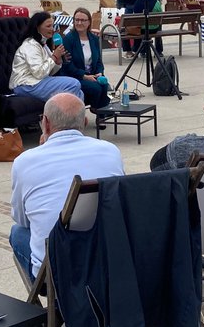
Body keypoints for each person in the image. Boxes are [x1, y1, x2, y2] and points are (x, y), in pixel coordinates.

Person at [9, 93, 124, 280]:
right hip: (104, 264)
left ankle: (52, 303)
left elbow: (22, 220)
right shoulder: (110, 151)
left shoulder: (25, 162)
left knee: (17, 232)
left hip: (55, 274)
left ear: (45, 123)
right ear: (85, 122)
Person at [8, 11, 83, 103]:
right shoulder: (30, 45)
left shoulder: (43, 44)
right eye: (48, 26)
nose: (52, 29)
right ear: (37, 28)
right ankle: (59, 114)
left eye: (52, 26)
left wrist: (58, 61)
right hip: (25, 85)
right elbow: (39, 73)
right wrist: (54, 56)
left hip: (38, 82)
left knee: (79, 93)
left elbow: (49, 72)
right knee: (74, 84)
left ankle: (71, 116)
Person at [59, 7, 109, 109]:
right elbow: (67, 65)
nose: (79, 23)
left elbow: (98, 61)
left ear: (89, 22)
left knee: (104, 85)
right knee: (96, 88)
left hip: (92, 74)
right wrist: (84, 76)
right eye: (77, 20)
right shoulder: (68, 39)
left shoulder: (94, 39)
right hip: (75, 76)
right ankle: (97, 110)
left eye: (83, 20)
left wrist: (100, 72)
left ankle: (100, 113)